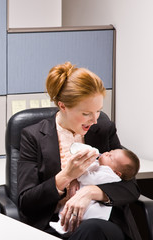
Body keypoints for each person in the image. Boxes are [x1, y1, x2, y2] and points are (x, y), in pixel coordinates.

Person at [17, 62, 141, 240]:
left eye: (98, 111)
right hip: (55, 225)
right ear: (63, 106)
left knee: (92, 229)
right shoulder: (33, 136)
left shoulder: (103, 129)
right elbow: (26, 203)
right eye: (86, 113)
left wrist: (89, 192)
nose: (95, 120)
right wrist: (66, 175)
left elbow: (131, 187)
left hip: (102, 223)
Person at [49, 145, 140, 235]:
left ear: (116, 173)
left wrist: (75, 175)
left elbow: (87, 178)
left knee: (77, 218)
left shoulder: (109, 174)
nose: (106, 153)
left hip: (93, 212)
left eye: (110, 157)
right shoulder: (100, 164)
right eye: (110, 151)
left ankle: (63, 228)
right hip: (76, 203)